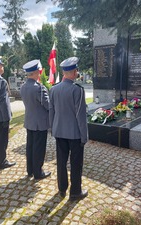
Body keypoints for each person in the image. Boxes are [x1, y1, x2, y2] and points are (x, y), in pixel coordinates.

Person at [49, 56, 88, 200]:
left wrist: (52, 129)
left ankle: (62, 188)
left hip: (59, 131)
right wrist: (84, 136)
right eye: (77, 70)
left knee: (61, 162)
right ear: (73, 72)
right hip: (75, 134)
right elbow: (80, 116)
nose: (78, 72)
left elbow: (51, 111)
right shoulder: (77, 90)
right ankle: (75, 192)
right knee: (76, 164)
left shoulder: (54, 89)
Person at [20, 59, 51, 180]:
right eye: (39, 71)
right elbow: (48, 105)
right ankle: (38, 173)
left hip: (29, 121)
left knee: (30, 146)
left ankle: (30, 170)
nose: (40, 73)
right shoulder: (39, 88)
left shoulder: (23, 87)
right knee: (39, 148)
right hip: (40, 123)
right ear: (36, 72)